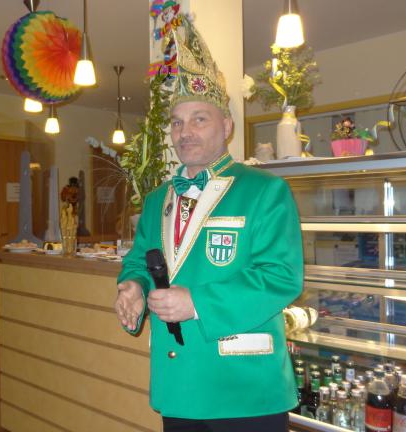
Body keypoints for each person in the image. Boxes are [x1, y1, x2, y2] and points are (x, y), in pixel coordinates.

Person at [114, 14, 303, 432]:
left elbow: (281, 277)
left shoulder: (265, 191)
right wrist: (133, 286)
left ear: (227, 126)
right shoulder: (156, 200)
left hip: (245, 386)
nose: (185, 132)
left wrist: (196, 302)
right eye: (177, 122)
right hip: (178, 382)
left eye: (199, 118)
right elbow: (140, 260)